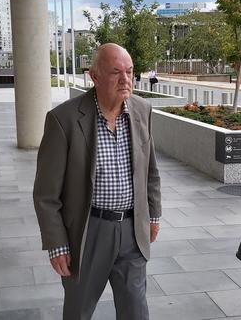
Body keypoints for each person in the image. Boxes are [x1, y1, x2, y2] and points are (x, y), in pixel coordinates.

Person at [33, 43, 162, 320]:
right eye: (116, 72)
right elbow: (46, 194)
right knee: (79, 310)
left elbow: (150, 171)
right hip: (88, 232)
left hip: (132, 231)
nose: (125, 79)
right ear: (94, 76)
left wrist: (154, 215)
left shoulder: (142, 110)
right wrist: (57, 243)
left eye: (129, 71)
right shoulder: (63, 119)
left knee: (136, 311)